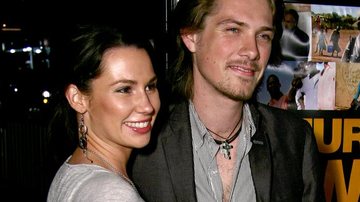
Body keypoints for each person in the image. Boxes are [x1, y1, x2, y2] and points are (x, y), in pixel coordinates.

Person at [131, 0, 325, 201]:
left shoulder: (294, 140)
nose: (252, 51)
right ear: (191, 36)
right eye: (233, 30)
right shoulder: (142, 146)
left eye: (263, 36)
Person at [46, 25, 161, 201]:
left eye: (150, 86)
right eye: (124, 89)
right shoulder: (113, 194)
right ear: (78, 98)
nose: (147, 106)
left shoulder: (73, 169)